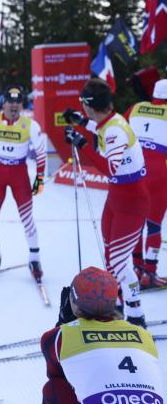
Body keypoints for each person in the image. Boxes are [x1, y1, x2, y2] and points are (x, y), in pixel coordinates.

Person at [64, 78, 148, 326]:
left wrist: (81, 145)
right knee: (112, 258)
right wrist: (82, 123)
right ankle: (117, 303)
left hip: (131, 202)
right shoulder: (108, 122)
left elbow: (110, 168)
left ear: (90, 105)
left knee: (120, 263)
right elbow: (100, 128)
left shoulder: (114, 130)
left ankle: (135, 316)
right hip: (117, 197)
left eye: (83, 104)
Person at [41, 267, 164, 403]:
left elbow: (60, 375)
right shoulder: (144, 335)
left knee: (52, 388)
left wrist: (63, 323)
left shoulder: (58, 336)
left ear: (73, 302)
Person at [0, 86, 47, 280]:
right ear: (3, 103)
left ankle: (34, 258)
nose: (14, 106)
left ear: (22, 105)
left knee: (27, 218)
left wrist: (39, 178)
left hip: (19, 175)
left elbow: (41, 152)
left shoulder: (30, 125)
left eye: (18, 103)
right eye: (10, 102)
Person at [126, 78, 167, 288]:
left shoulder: (136, 108)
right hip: (160, 174)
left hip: (134, 172)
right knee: (154, 225)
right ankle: (150, 273)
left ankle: (136, 267)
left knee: (136, 223)